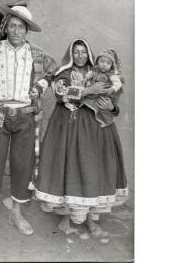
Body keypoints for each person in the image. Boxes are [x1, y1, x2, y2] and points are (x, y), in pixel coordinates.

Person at [0, 5, 57, 235]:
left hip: (25, 118)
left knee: (22, 165)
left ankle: (16, 211)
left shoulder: (37, 54)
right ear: (6, 27)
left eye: (21, 27)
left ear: (27, 31)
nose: (16, 31)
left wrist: (40, 86)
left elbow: (53, 72)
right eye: (13, 26)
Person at [35, 39, 128, 240]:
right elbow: (60, 93)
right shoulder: (64, 72)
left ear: (89, 54)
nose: (80, 56)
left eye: (83, 52)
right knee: (69, 168)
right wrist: (88, 91)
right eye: (76, 52)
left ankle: (89, 219)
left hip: (95, 130)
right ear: (71, 54)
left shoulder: (99, 72)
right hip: (67, 128)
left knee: (90, 170)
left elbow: (113, 98)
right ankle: (68, 216)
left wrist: (112, 108)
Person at [82, 48, 124, 127]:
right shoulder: (96, 70)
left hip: (104, 94)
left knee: (103, 108)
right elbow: (90, 74)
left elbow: (118, 83)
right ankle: (91, 117)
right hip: (94, 93)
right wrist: (86, 78)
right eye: (102, 61)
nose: (104, 65)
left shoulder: (112, 75)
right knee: (88, 102)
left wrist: (112, 89)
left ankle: (107, 122)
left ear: (111, 65)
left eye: (108, 63)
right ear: (97, 61)